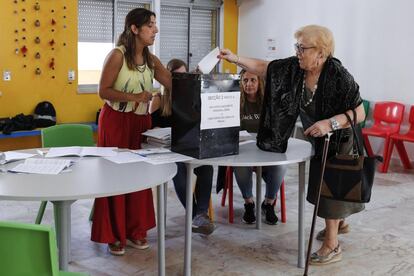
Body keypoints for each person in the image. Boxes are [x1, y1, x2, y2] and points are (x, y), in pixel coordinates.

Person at [219, 25, 365, 265]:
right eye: (296, 46)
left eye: (302, 47)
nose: (297, 51)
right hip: (318, 135)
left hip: (341, 136)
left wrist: (330, 124)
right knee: (324, 185)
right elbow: (267, 68)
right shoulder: (295, 69)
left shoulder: (338, 75)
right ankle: (339, 223)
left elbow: (359, 113)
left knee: (330, 188)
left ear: (321, 52)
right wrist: (235, 58)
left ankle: (332, 244)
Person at [91, 8, 172, 256]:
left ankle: (136, 229)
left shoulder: (151, 59)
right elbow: (103, 91)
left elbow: (173, 83)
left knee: (140, 176)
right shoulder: (117, 55)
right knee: (116, 176)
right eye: (150, 25)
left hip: (140, 124)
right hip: (115, 120)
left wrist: (200, 83)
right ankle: (113, 235)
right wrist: (134, 96)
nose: (155, 30)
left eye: (155, 25)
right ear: (134, 29)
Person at [151, 58, 215, 235]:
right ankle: (196, 215)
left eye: (184, 75)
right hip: (168, 150)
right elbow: (151, 128)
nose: (180, 80)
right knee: (179, 170)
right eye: (176, 76)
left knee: (206, 168)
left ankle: (201, 213)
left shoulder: (191, 98)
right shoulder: (159, 99)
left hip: (188, 147)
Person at [233, 69, 287, 225]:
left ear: (259, 82)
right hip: (244, 151)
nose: (248, 84)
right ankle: (249, 203)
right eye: (245, 80)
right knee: (240, 166)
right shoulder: (235, 101)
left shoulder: (268, 102)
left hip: (265, 150)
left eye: (253, 80)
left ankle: (268, 203)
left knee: (280, 165)